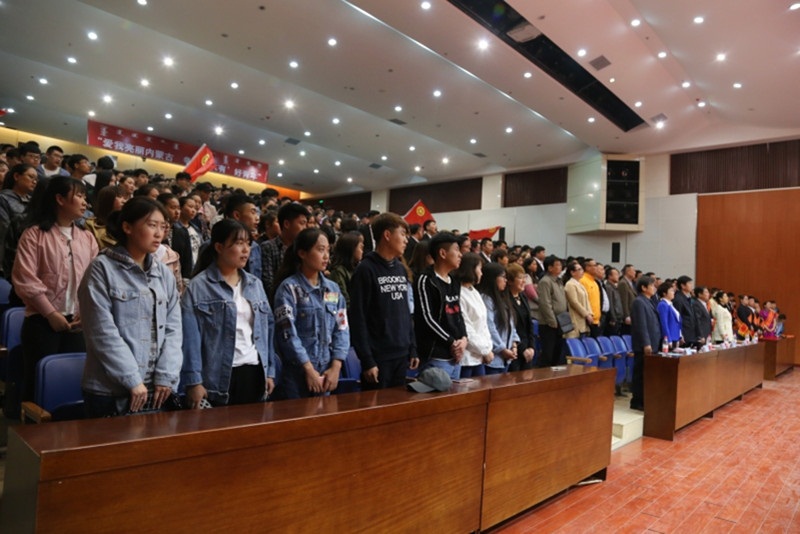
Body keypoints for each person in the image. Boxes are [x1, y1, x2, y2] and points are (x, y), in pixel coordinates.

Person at [78, 197, 181, 417]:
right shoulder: (101, 269)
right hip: (110, 390)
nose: (159, 233)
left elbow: (174, 329)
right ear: (127, 227)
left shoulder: (163, 274)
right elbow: (102, 331)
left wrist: (166, 375)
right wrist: (132, 379)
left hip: (156, 389)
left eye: (163, 227)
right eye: (152, 225)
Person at [13, 176, 98, 401]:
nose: (85, 202)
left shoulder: (87, 238)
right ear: (60, 199)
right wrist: (50, 313)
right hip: (41, 322)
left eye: (85, 196)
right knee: (37, 384)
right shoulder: (34, 235)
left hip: (77, 323)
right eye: (79, 196)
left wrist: (85, 312)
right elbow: (25, 279)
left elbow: (94, 280)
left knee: (74, 384)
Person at [181, 219, 276, 407]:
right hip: (217, 376)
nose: (246, 250)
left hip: (254, 370)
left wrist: (270, 371)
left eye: (248, 243)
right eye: (239, 243)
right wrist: (194, 381)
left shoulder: (255, 284)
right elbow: (190, 338)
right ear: (219, 247)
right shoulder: (199, 286)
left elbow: (268, 329)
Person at [273, 228, 348, 398]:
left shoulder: (332, 289)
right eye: (320, 250)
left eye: (328, 250)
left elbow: (342, 327)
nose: (326, 256)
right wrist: (308, 368)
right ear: (302, 253)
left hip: (326, 371)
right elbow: (287, 334)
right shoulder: (289, 289)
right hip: (296, 374)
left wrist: (336, 366)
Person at [349, 213, 418, 389]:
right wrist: (367, 360)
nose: (406, 240)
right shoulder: (366, 269)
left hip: (402, 354)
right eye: (402, 234)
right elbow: (358, 318)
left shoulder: (400, 269)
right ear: (387, 235)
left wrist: (412, 347)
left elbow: (406, 312)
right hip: (378, 356)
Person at [414, 232, 467, 379]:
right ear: (443, 253)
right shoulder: (425, 280)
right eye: (456, 250)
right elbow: (426, 318)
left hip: (456, 355)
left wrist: (464, 339)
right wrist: (452, 342)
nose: (460, 255)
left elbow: (458, 313)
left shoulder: (454, 281)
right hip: (436, 355)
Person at [453, 253, 492, 377]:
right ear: (471, 269)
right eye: (479, 268)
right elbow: (467, 329)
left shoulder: (474, 291)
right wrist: (485, 351)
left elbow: (483, 325)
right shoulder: (459, 293)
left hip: (479, 356)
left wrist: (488, 348)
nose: (481, 273)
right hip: (467, 358)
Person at [478, 262, 518, 374]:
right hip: (494, 357)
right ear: (492, 278)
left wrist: (514, 344)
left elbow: (511, 323)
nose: (505, 280)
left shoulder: (502, 297)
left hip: (506, 356)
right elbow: (489, 326)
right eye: (503, 277)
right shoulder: (486, 299)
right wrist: (502, 349)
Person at [262, 202, 309, 298]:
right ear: (286, 224)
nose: (305, 228)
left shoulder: (305, 249)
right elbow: (268, 283)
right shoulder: (268, 247)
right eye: (302, 223)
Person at [0, 163, 38, 277]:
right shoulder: (3, 199)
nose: (34, 181)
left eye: (36, 179)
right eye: (31, 177)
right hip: (10, 253)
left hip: (30, 251)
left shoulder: (33, 201)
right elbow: (4, 231)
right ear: (17, 176)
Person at [630, 276, 661, 412]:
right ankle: (637, 401)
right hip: (644, 345)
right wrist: (646, 343)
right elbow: (640, 325)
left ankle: (644, 399)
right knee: (640, 374)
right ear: (643, 287)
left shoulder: (649, 301)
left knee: (647, 374)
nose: (654, 288)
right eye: (651, 285)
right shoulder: (638, 302)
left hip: (653, 342)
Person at [537, 255, 567, 367]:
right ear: (550, 268)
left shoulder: (559, 281)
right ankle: (543, 375)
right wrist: (552, 321)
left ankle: (554, 374)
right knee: (548, 353)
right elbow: (545, 303)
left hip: (561, 319)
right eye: (558, 265)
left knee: (558, 352)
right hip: (549, 323)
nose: (560, 267)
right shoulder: (545, 281)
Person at [157, 192, 192, 281]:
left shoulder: (182, 231)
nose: (177, 212)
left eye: (179, 208)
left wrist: (185, 281)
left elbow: (187, 260)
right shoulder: (155, 232)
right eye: (173, 208)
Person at [507, 263, 536, 371]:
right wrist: (522, 349)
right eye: (520, 278)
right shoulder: (506, 299)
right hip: (514, 349)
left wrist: (531, 347)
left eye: (524, 277)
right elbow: (512, 328)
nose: (524, 281)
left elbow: (529, 324)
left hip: (528, 348)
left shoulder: (523, 297)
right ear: (510, 281)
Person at [327, 231, 363, 309]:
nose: (362, 251)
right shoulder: (337, 272)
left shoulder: (358, 268)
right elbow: (340, 301)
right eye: (360, 248)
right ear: (351, 249)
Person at [85, 185, 126, 250]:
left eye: (124, 198)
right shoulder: (91, 224)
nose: (124, 201)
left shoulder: (126, 223)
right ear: (108, 200)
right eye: (119, 197)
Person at [564, 261, 592, 339]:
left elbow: (587, 301)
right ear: (572, 272)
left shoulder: (579, 284)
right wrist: (586, 314)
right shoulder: (570, 284)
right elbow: (574, 302)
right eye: (579, 269)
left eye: (582, 269)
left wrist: (590, 313)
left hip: (584, 319)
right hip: (575, 318)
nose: (582, 271)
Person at [673, 275, 700, 347]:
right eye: (689, 283)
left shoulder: (688, 298)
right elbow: (677, 319)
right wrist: (680, 335)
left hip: (691, 334)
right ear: (683, 285)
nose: (691, 286)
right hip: (684, 335)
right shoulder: (678, 299)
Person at [578, 258, 602, 337]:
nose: (596, 268)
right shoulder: (582, 280)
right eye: (594, 265)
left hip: (596, 320)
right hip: (587, 319)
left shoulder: (594, 282)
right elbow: (581, 301)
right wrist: (587, 315)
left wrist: (598, 319)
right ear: (587, 267)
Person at [656, 282, 682, 350]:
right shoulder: (662, 304)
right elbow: (664, 323)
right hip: (668, 338)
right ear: (664, 293)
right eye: (671, 291)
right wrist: (668, 339)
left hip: (675, 337)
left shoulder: (670, 304)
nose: (673, 292)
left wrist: (680, 336)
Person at [604, 267, 624, 336]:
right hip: (614, 319)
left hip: (618, 318)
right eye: (616, 274)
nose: (618, 276)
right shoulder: (608, 287)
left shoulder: (615, 287)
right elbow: (611, 304)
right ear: (609, 276)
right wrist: (613, 318)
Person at [618, 264, 637, 335]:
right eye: (633, 270)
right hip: (628, 314)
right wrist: (626, 316)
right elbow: (624, 301)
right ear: (628, 272)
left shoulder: (631, 283)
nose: (635, 272)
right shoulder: (623, 283)